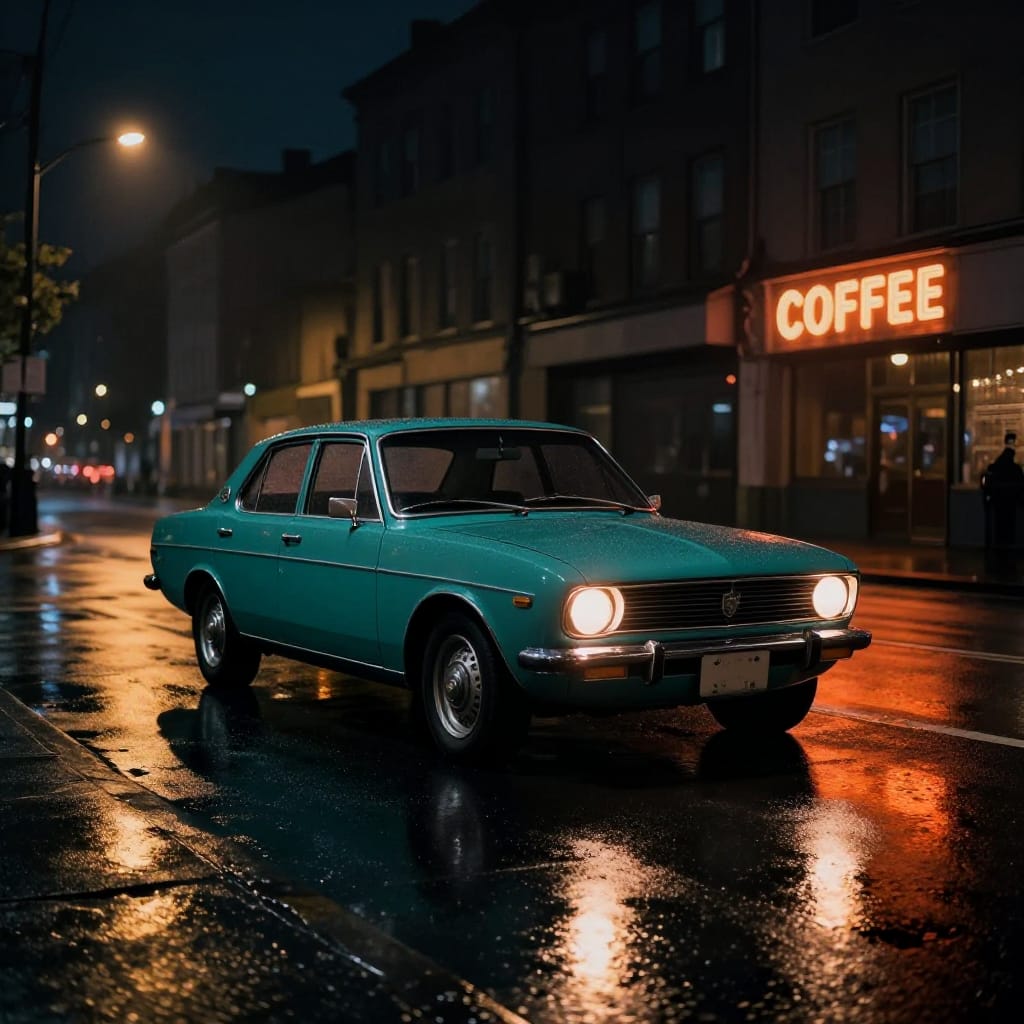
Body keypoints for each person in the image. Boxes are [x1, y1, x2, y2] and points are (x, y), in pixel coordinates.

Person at [981, 431, 1024, 547]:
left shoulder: (997, 464)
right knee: (1010, 528)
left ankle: (1000, 552)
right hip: (1010, 502)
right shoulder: (1015, 468)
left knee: (999, 528)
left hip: (999, 501)